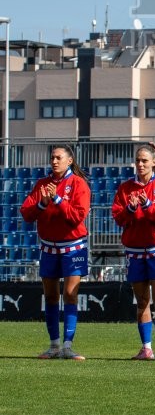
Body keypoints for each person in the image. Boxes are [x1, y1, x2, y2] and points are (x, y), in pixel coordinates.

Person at [20, 145, 91, 360]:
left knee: (70, 294)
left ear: (69, 161)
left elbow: (77, 216)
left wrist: (58, 200)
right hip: (49, 248)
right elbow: (26, 213)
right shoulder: (42, 184)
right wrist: (42, 204)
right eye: (52, 157)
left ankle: (68, 346)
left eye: (59, 157)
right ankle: (53, 346)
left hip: (73, 247)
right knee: (51, 296)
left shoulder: (78, 184)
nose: (54, 161)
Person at [112, 142, 155, 360]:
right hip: (134, 249)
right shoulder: (125, 188)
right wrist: (131, 208)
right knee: (142, 301)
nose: (140, 164)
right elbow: (118, 217)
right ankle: (146, 348)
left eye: (144, 160)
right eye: (138, 160)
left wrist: (148, 204)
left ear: (153, 162)